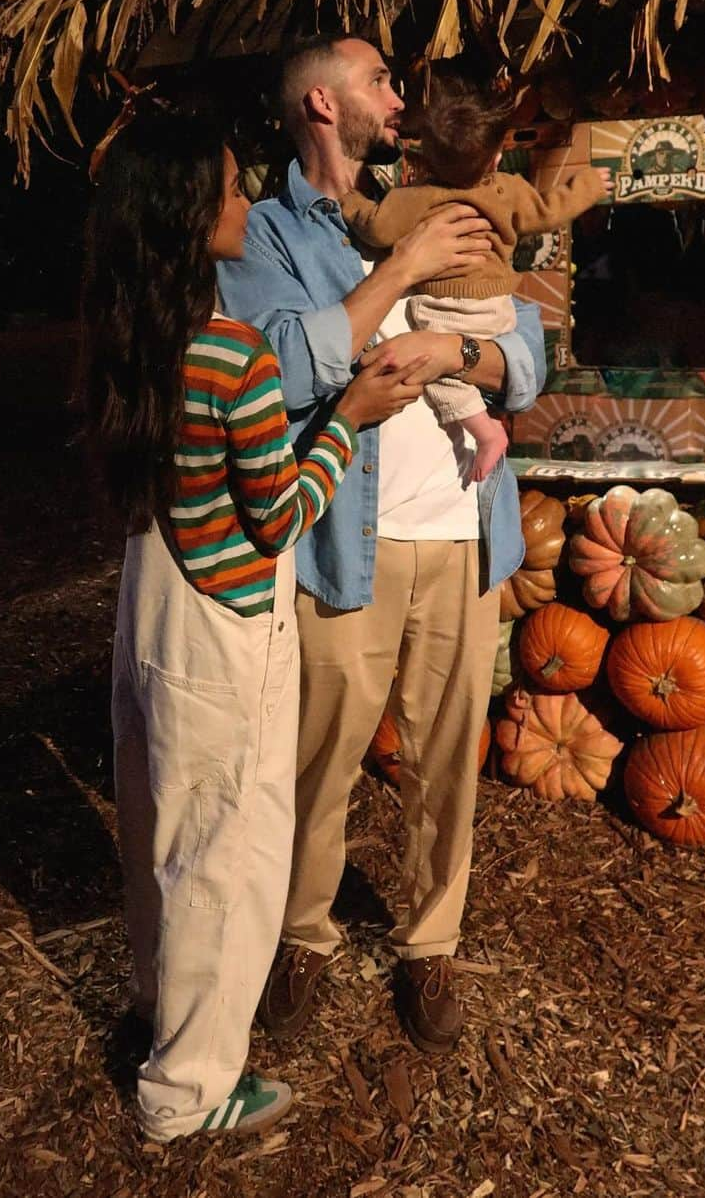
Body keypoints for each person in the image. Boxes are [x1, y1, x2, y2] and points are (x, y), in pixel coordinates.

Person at [81, 110, 429, 1140]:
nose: (246, 199)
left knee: (160, 827)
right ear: (191, 213)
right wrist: (351, 420)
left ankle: (160, 1008)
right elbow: (275, 512)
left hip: (153, 596)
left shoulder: (131, 334)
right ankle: (188, 1085)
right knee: (225, 857)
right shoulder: (228, 352)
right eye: (231, 188)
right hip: (226, 617)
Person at [216, 34, 547, 1056]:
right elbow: (274, 368)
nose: (399, 99)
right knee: (319, 759)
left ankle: (429, 940)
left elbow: (527, 356)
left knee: (449, 761)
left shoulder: (452, 194)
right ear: (321, 104)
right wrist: (400, 266)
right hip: (339, 538)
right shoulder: (270, 232)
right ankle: (303, 931)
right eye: (378, 81)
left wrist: (463, 350)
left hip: (461, 526)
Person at [340, 66, 610, 481]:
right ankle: (489, 416)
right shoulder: (508, 189)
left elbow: (377, 228)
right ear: (497, 155)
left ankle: (486, 432)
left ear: (425, 156)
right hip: (500, 309)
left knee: (432, 368)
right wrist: (588, 185)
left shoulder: (415, 198)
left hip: (449, 309)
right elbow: (549, 210)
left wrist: (351, 201)